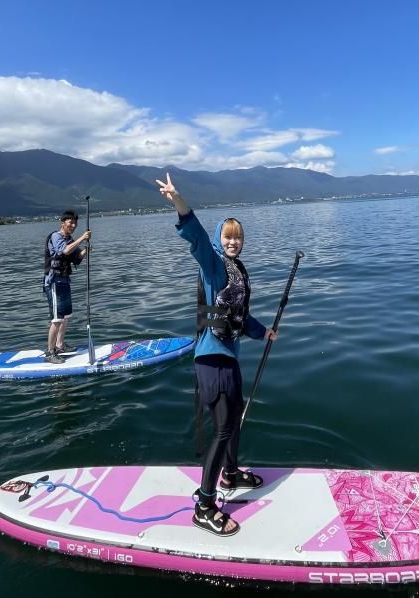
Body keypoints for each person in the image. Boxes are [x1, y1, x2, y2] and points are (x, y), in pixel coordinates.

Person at [156, 172, 277, 537]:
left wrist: (263, 332)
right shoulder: (212, 265)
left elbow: (240, 317)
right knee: (223, 428)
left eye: (238, 237)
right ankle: (205, 505)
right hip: (211, 360)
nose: (233, 242)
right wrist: (179, 200)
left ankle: (231, 472)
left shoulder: (238, 271)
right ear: (219, 239)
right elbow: (192, 235)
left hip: (230, 358)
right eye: (228, 236)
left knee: (234, 420)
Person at [43, 210, 91, 364]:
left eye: (75, 223)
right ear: (62, 223)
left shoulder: (70, 239)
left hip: (64, 281)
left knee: (66, 316)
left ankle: (59, 345)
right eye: (70, 222)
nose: (73, 225)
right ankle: (50, 353)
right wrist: (82, 238)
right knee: (56, 319)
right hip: (54, 282)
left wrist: (86, 250)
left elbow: (77, 258)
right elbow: (64, 250)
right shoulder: (55, 236)